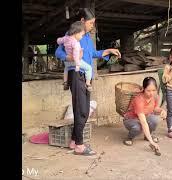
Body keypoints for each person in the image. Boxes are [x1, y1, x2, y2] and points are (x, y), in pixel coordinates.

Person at [55, 8, 121, 156]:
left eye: (93, 23)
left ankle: (74, 140)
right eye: (91, 23)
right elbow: (58, 52)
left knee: (84, 110)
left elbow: (94, 54)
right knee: (82, 110)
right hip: (76, 73)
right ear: (83, 21)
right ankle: (79, 145)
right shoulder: (71, 35)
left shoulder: (88, 39)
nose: (92, 26)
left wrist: (109, 50)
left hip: (86, 77)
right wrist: (70, 58)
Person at [123, 77, 166, 151]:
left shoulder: (155, 96)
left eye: (153, 90)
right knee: (138, 127)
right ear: (143, 89)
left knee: (155, 120)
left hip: (145, 116)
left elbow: (155, 108)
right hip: (131, 119)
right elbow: (143, 122)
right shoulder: (138, 100)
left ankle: (147, 136)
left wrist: (162, 110)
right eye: (148, 90)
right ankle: (130, 137)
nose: (151, 93)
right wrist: (151, 142)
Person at [57, 21, 93, 91]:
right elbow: (76, 55)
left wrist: (58, 41)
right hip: (75, 61)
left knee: (66, 69)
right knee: (89, 68)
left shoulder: (66, 38)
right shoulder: (76, 43)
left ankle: (65, 82)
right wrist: (77, 65)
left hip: (67, 62)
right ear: (76, 33)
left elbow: (59, 40)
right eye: (81, 35)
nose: (81, 37)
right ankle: (88, 84)